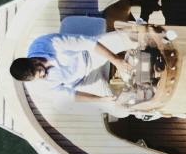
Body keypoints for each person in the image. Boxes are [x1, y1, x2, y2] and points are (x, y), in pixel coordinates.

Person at [8, 29, 136, 104]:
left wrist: (116, 61)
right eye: (40, 77)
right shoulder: (39, 86)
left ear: (34, 60)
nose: (43, 75)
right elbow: (72, 95)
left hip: (89, 54)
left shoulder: (47, 43)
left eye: (41, 70)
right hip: (82, 82)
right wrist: (101, 100)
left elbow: (89, 43)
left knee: (131, 36)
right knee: (119, 104)